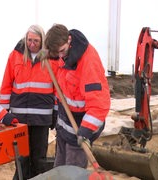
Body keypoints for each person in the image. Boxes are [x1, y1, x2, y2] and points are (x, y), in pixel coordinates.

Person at [43, 24, 111, 168]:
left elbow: (99, 104)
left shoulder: (88, 62)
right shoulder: (62, 53)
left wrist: (85, 130)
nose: (61, 56)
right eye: (57, 54)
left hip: (80, 127)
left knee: (73, 171)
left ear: (69, 39)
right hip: (65, 124)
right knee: (59, 169)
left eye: (62, 51)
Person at [0, 25, 59, 179]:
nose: (32, 44)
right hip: (19, 118)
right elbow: (6, 84)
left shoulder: (52, 59)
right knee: (21, 157)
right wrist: (3, 112)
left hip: (41, 118)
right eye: (29, 40)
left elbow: (58, 89)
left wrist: (56, 112)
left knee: (39, 157)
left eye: (36, 41)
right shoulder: (15, 56)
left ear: (43, 40)